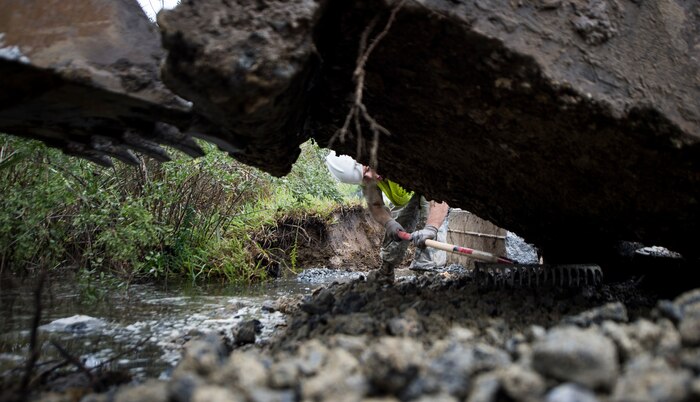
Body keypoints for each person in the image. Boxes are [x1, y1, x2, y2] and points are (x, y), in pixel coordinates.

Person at [325, 151, 450, 282]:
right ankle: (386, 270)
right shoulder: (366, 176)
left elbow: (440, 192)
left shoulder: (401, 155)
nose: (370, 177)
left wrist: (431, 227)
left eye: (368, 168)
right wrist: (389, 223)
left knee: (431, 231)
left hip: (428, 186)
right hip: (405, 195)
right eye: (364, 178)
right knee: (397, 230)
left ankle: (429, 275)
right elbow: (376, 205)